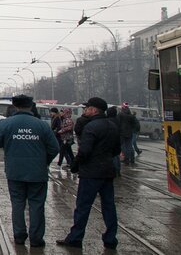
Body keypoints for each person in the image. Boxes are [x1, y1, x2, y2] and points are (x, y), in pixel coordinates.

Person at [0, 94, 59, 247]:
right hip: (37, 172)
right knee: (37, 204)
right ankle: (36, 239)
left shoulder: (6, 123)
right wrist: (44, 161)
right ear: (31, 105)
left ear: (14, 106)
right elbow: (54, 147)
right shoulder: (41, 125)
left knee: (17, 203)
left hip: (15, 171)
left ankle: (19, 236)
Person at [57, 97, 122, 250]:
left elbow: (84, 150)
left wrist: (75, 164)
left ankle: (75, 238)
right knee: (109, 206)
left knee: (83, 206)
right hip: (107, 172)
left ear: (94, 110)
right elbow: (117, 150)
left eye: (87, 108)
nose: (85, 110)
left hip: (91, 173)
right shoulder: (112, 126)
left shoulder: (91, 127)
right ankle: (110, 239)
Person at [106, 106, 121, 177]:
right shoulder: (117, 120)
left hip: (110, 139)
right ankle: (118, 169)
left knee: (112, 156)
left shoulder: (108, 121)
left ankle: (114, 170)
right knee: (116, 155)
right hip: (118, 138)